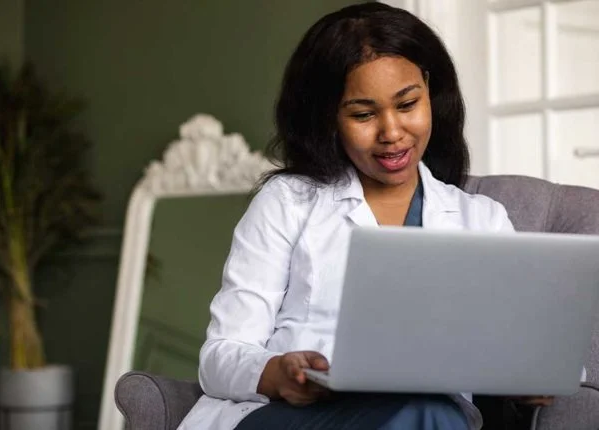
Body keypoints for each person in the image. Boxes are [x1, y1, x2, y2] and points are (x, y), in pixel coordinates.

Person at [178, 3, 555, 430]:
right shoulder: (287, 203)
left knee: (430, 412)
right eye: (363, 114)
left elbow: (506, 351)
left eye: (407, 104)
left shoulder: (483, 220)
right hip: (289, 416)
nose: (392, 132)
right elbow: (219, 356)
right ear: (329, 118)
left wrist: (523, 376)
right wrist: (279, 372)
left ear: (431, 92)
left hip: (428, 418)